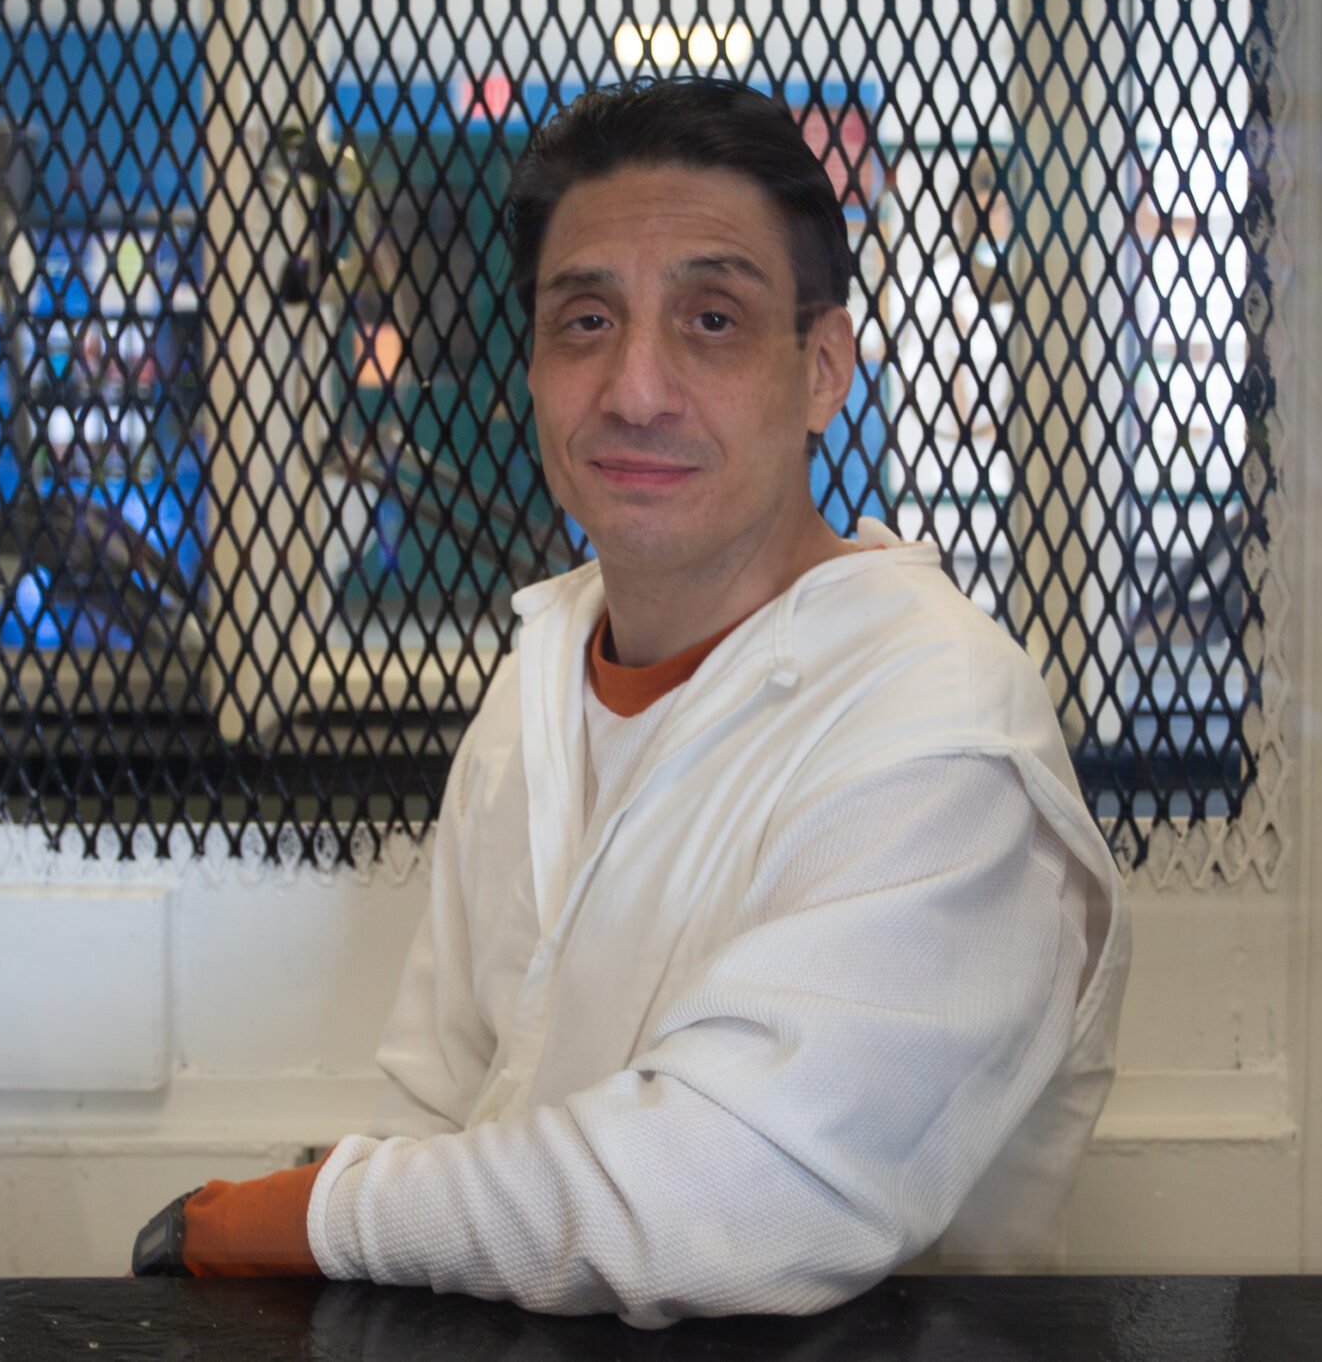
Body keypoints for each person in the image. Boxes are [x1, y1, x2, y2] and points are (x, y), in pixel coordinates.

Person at [136, 78, 1129, 1326]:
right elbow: (442, 1102)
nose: (636, 388)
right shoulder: (541, 676)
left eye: (711, 318)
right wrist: (357, 1209)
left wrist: (310, 1211)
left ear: (821, 369)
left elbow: (732, 1195)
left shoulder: (937, 721)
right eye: (585, 321)